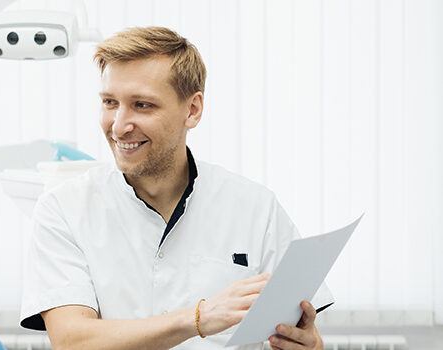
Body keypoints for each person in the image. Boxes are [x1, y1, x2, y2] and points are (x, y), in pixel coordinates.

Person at [19, 27, 333, 350]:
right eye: (110, 102)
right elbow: (72, 341)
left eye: (142, 105)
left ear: (193, 109)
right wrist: (197, 318)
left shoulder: (256, 208)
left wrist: (308, 345)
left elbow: (304, 333)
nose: (118, 125)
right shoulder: (63, 209)